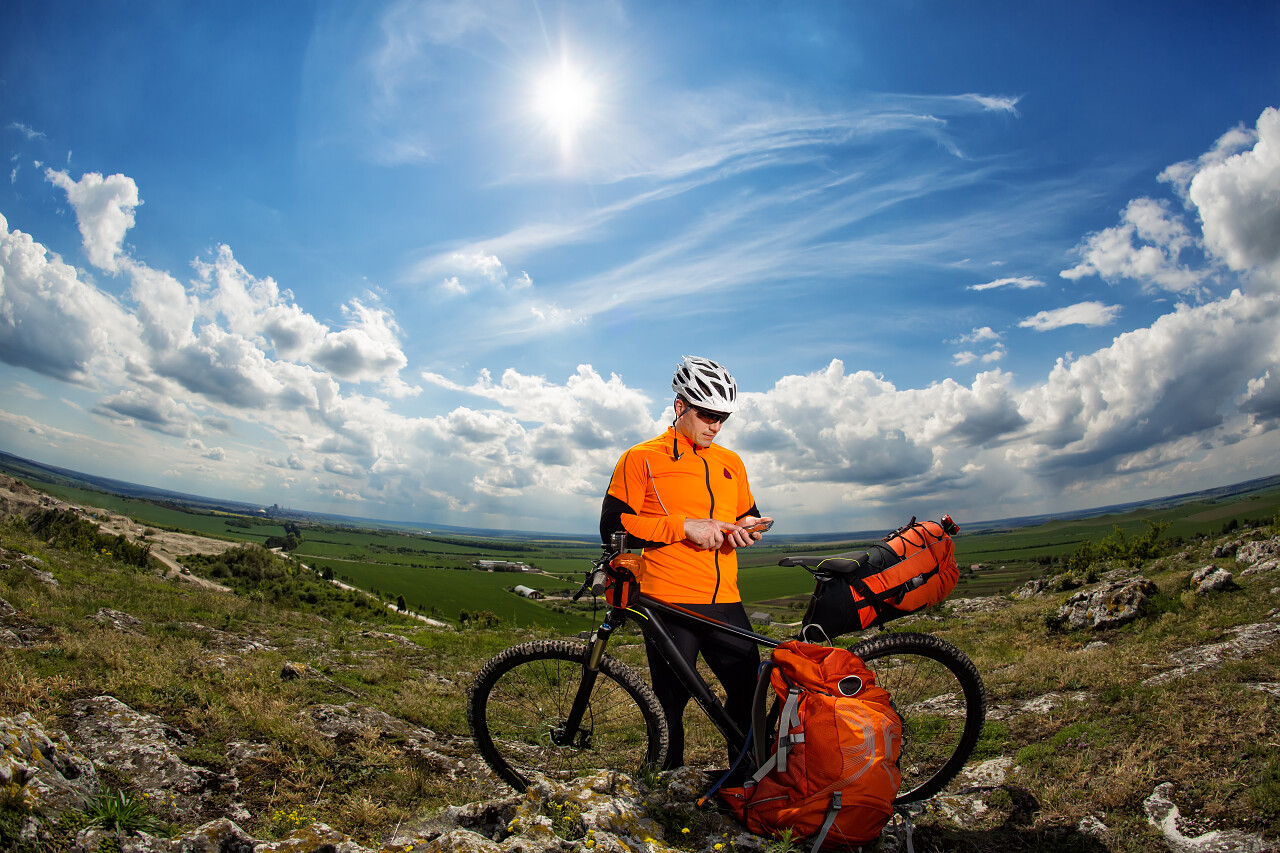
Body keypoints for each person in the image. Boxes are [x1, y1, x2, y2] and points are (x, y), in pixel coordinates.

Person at [600, 355, 772, 775]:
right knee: (669, 704)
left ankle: (747, 782)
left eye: (723, 418)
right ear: (680, 406)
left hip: (724, 598)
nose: (715, 425)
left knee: (749, 693)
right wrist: (684, 528)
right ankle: (665, 784)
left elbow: (747, 511)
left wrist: (749, 527)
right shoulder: (641, 458)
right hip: (668, 601)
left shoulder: (731, 462)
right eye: (707, 415)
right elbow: (613, 526)